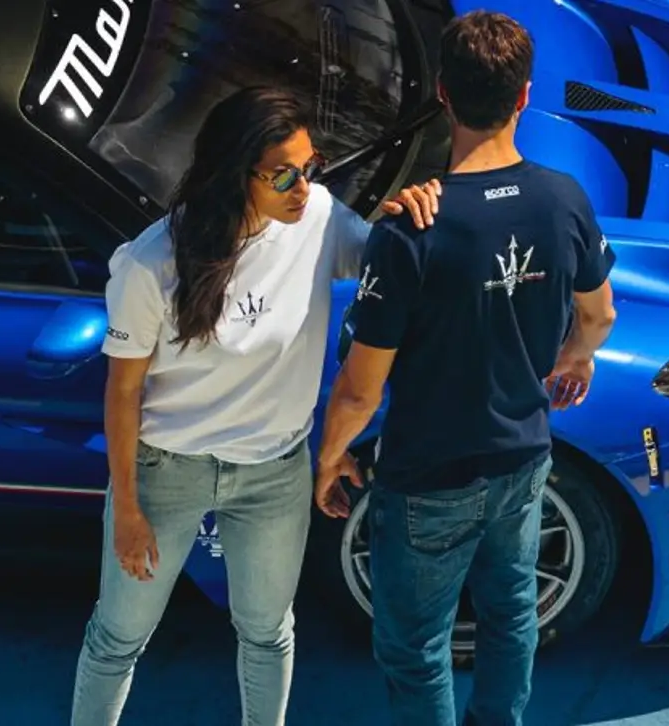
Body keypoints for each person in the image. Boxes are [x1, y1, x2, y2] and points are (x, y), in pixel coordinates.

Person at [70, 85, 443, 726]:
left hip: (274, 471)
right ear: (234, 174)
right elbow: (123, 392)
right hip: (167, 471)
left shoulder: (318, 218)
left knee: (268, 632)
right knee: (118, 635)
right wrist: (127, 507)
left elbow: (391, 261)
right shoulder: (152, 263)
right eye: (284, 176)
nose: (304, 187)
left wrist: (409, 215)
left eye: (310, 167)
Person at [313, 10, 619, 726]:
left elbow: (360, 391)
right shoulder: (563, 199)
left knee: (416, 647)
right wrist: (575, 358)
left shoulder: (409, 232)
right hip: (524, 462)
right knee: (511, 614)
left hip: (428, 479)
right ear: (525, 97)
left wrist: (326, 461)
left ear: (443, 94)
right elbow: (600, 314)